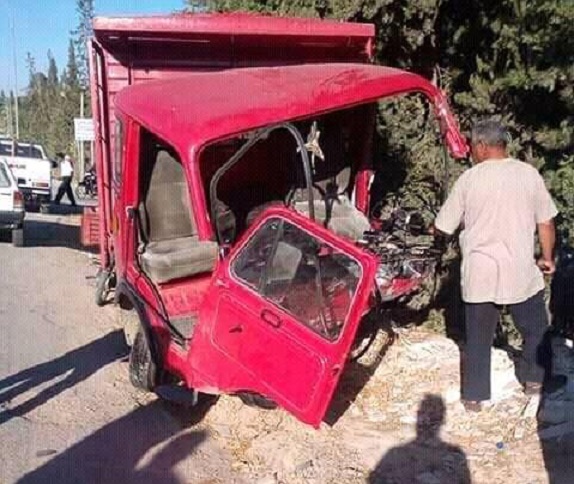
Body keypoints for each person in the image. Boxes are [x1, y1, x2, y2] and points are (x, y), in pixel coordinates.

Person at [434, 119, 558, 412]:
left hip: (480, 272)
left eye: (471, 147)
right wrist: (547, 257)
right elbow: (546, 222)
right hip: (519, 269)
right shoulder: (528, 175)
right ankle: (535, 380)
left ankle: (474, 397)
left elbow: (443, 226)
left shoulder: (469, 180)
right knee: (535, 329)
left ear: (481, 146)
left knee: (478, 338)